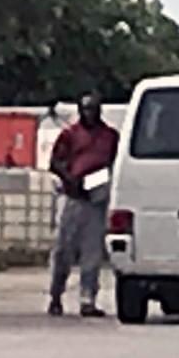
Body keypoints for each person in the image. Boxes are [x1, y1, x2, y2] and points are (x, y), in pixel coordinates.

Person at [47, 91, 120, 318]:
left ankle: (88, 298)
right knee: (63, 251)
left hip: (96, 200)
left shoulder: (110, 136)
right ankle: (56, 295)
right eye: (86, 109)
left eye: (94, 109)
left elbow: (115, 163)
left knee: (92, 253)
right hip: (72, 197)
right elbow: (55, 162)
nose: (90, 113)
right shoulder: (70, 135)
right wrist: (71, 179)